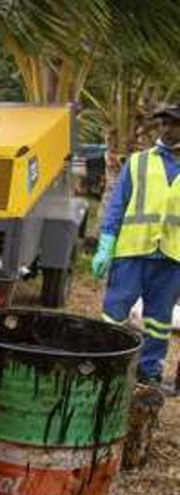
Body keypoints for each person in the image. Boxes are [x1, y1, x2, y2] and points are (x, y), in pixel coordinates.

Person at [91, 104, 180, 385]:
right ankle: (105, 361)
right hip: (132, 251)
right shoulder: (139, 161)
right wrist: (106, 243)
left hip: (172, 256)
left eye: (173, 124)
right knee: (115, 310)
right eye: (163, 123)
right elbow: (118, 205)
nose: (166, 129)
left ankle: (148, 371)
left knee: (159, 320)